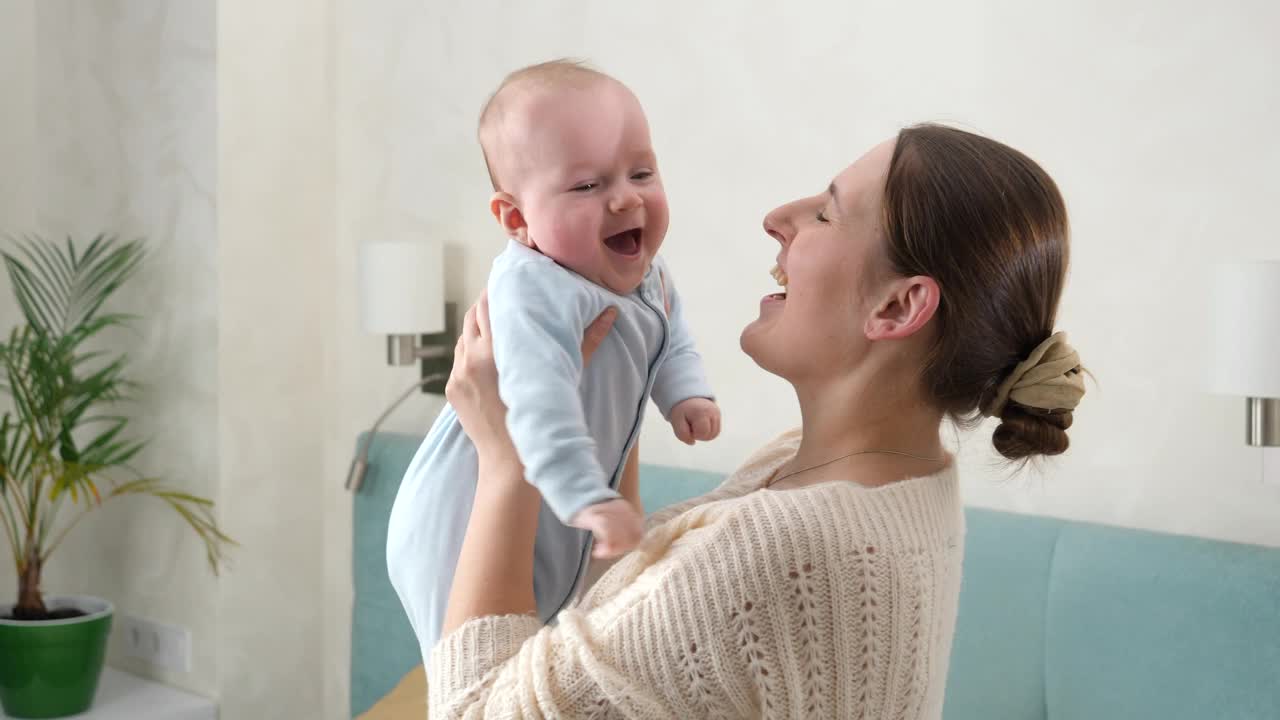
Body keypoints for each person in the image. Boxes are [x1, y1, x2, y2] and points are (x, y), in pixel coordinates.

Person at [429, 124, 1087, 718]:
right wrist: (623, 380)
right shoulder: (884, 475)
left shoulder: (784, 547)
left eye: (826, 213)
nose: (779, 218)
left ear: (897, 307)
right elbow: (637, 631)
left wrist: (510, 464)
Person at [386, 60, 721, 660]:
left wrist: (686, 394)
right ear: (517, 220)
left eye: (641, 172)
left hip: (557, 486)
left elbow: (671, 335)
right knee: (473, 657)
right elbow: (537, 406)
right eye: (587, 186)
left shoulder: (642, 273)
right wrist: (586, 497)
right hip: (459, 508)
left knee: (550, 625)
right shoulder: (535, 288)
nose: (625, 198)